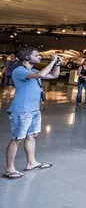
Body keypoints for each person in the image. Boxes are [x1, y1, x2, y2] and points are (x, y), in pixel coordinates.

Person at [3, 48, 61, 179]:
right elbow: (41, 75)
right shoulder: (19, 71)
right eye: (36, 55)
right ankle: (10, 169)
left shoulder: (34, 70)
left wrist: (56, 64)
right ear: (27, 58)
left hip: (34, 110)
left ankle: (31, 163)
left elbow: (54, 75)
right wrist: (52, 62)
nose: (40, 57)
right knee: (17, 139)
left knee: (31, 136)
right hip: (21, 110)